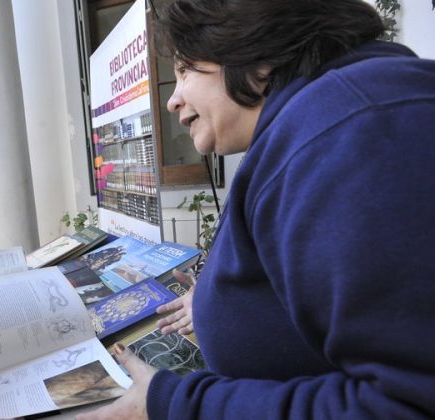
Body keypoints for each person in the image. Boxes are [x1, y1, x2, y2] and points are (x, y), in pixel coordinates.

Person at [79, 0, 435, 419]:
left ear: (252, 51)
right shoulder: (321, 123)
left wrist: (170, 406)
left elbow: (408, 402)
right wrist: (223, 300)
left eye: (185, 69)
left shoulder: (352, 136)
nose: (173, 100)